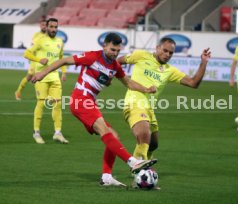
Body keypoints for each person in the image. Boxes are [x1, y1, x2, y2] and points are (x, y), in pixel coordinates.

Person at [31, 32, 158, 187]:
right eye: (112, 49)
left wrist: (147, 89)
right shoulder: (92, 57)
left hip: (89, 102)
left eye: (118, 51)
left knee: (113, 135)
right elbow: (64, 60)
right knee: (106, 131)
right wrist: (43, 72)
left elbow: (129, 83)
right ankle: (132, 162)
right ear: (104, 45)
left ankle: (106, 177)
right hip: (80, 99)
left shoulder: (115, 66)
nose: (115, 53)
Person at [117, 38, 211, 160]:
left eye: (170, 53)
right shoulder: (141, 55)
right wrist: (122, 79)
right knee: (144, 134)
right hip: (134, 103)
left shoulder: (169, 70)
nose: (167, 55)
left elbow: (193, 83)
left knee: (153, 144)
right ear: (157, 48)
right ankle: (139, 171)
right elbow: (117, 62)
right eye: (165, 50)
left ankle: (145, 163)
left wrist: (203, 62)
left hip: (149, 109)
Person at [24, 18, 68, 144]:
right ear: (47, 27)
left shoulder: (60, 41)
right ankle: (36, 132)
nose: (54, 29)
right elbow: (26, 54)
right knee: (41, 104)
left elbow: (61, 58)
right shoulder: (40, 40)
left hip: (54, 77)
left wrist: (64, 72)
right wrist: (38, 60)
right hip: (41, 77)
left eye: (55, 27)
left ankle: (58, 132)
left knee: (58, 104)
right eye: (51, 27)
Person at [15, 18, 48, 100]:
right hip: (36, 60)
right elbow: (34, 47)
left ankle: (45, 95)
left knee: (46, 76)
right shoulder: (36, 35)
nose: (44, 26)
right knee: (30, 76)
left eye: (45, 25)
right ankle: (18, 92)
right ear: (40, 26)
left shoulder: (49, 36)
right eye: (42, 25)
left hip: (46, 60)